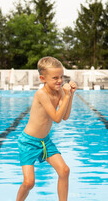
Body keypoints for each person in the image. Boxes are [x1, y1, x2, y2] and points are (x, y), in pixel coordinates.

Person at [16, 56, 77, 201]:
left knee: (64, 170)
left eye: (61, 77)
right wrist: (67, 95)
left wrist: (71, 95)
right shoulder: (41, 94)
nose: (60, 81)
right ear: (43, 78)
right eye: (55, 78)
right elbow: (56, 118)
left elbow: (65, 116)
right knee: (29, 183)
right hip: (28, 142)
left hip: (45, 141)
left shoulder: (60, 92)